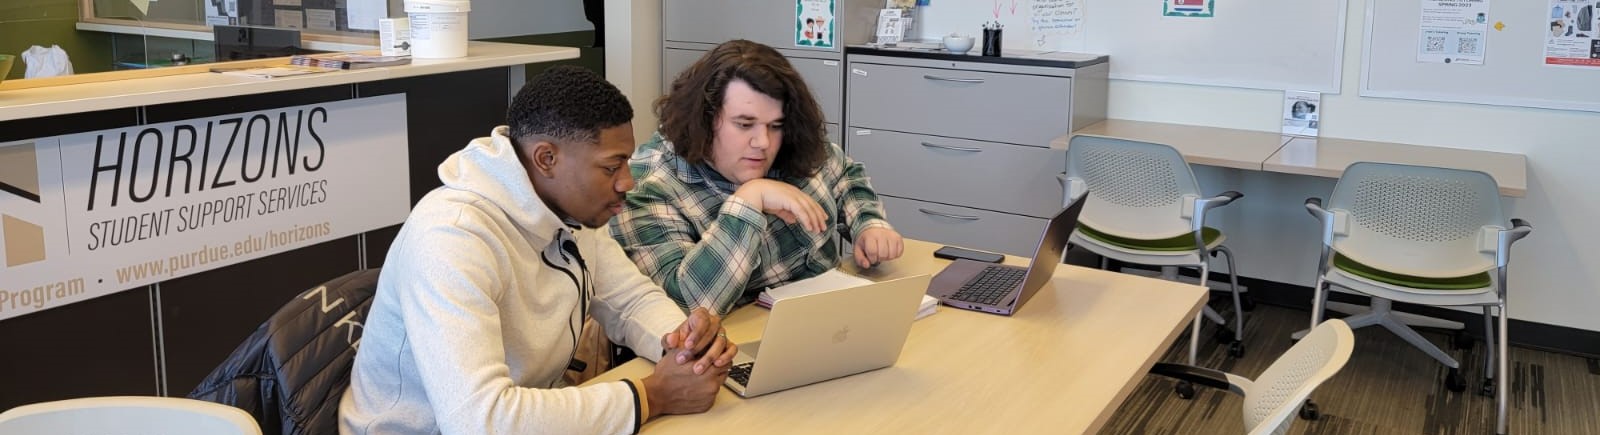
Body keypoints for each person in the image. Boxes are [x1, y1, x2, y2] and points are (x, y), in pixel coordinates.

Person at [340, 65, 736, 435]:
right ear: (546, 158)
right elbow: (478, 420)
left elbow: (629, 301)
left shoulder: (571, 209)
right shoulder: (452, 237)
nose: (627, 183)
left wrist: (683, 346)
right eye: (611, 167)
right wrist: (651, 396)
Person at [609, 39, 903, 315]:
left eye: (775, 125)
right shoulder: (647, 186)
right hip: (731, 347)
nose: (763, 141)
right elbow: (685, 306)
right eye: (744, 124)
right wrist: (748, 202)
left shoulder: (792, 144)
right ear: (703, 120)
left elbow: (844, 176)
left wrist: (868, 226)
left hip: (829, 319)